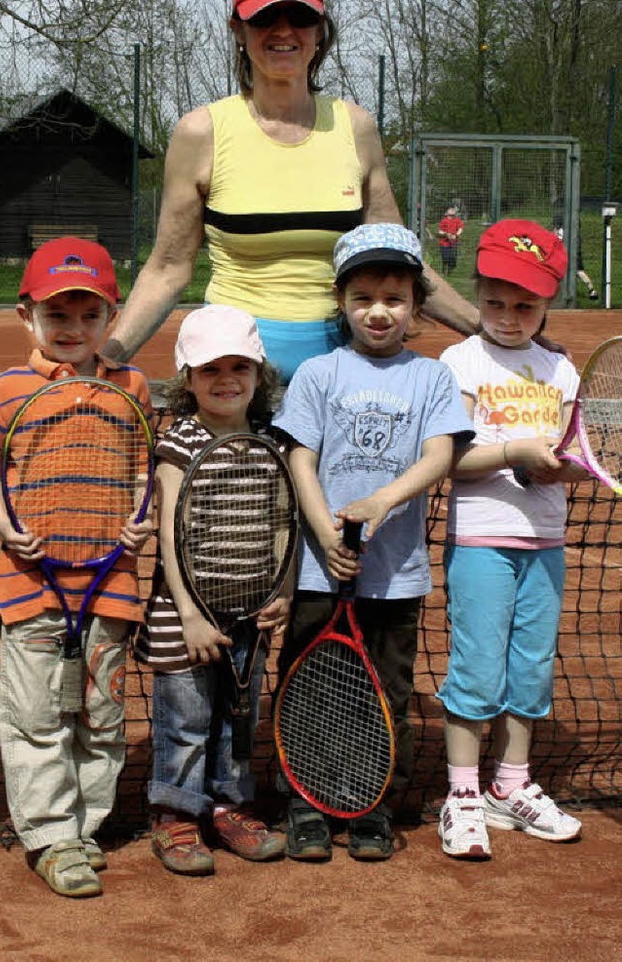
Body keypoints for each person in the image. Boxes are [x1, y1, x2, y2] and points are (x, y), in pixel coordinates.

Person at [101, 0, 480, 381]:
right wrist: (106, 357)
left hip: (341, 374)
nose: (284, 31)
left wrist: (489, 330)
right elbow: (168, 268)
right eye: (264, 18)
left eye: (300, 17)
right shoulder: (201, 133)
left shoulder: (356, 127)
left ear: (319, 31)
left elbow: (402, 260)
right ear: (238, 31)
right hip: (234, 378)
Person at [273, 223, 474, 861]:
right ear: (341, 302)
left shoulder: (433, 377)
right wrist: (325, 527)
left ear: (416, 303)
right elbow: (301, 458)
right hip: (316, 571)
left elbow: (440, 453)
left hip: (397, 575)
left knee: (384, 694)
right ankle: (305, 803)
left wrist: (383, 500)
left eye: (394, 296)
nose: (378, 310)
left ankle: (370, 804)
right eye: (363, 297)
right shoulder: (316, 373)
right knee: (309, 687)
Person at [0, 238, 154, 897]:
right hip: (30, 587)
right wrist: (5, 527)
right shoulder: (8, 389)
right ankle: (53, 837)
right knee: (34, 717)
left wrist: (142, 516)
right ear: (27, 317)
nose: (72, 330)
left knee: (101, 715)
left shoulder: (132, 386)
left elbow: (142, 468)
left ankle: (83, 826)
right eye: (58, 316)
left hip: (110, 585)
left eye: (89, 316)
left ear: (111, 319)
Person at [436, 219, 589, 861]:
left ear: (548, 302)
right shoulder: (460, 360)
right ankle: (463, 795)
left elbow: (578, 452)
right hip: (479, 539)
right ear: (477, 293)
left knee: (529, 668)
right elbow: (447, 459)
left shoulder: (559, 368)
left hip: (544, 542)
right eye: (494, 302)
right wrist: (513, 451)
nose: (508, 316)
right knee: (476, 666)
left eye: (525, 304)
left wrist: (560, 464)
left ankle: (511, 785)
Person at [135, 304, 291, 876]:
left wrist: (285, 590)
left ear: (259, 374)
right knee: (186, 722)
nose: (227, 380)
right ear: (187, 380)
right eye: (210, 370)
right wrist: (191, 614)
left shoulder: (272, 440)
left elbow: (282, 522)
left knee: (237, 719)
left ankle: (227, 806)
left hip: (251, 612)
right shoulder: (178, 444)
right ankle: (173, 815)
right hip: (187, 618)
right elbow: (171, 538)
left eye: (239, 367)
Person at [553, 223, 598, 301]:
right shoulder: (573, 231)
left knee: (578, 271)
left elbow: (558, 240)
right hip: (571, 253)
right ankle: (591, 290)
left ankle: (591, 290)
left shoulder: (563, 230)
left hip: (569, 253)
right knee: (578, 271)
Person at [438, 206, 464, 275]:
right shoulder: (444, 220)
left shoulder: (457, 220)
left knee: (452, 257)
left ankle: (450, 269)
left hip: (453, 242)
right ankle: (444, 269)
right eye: (451, 211)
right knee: (445, 257)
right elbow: (440, 231)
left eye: (453, 213)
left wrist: (456, 235)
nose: (452, 212)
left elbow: (460, 228)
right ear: (447, 213)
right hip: (444, 242)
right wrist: (446, 234)